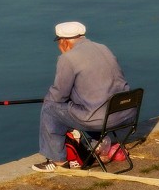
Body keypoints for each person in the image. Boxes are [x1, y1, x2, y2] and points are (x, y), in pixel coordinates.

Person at [32, 21, 129, 172]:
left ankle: (58, 161)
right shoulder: (103, 48)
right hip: (125, 113)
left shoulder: (68, 59)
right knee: (90, 103)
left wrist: (48, 99)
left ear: (64, 42)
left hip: (102, 120)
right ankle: (97, 142)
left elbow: (58, 95)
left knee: (49, 109)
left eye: (58, 42)